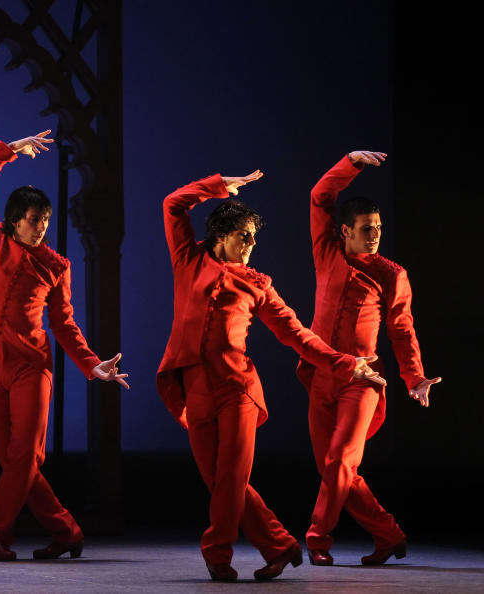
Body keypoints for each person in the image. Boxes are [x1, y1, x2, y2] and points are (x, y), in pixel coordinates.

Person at [155, 169, 385, 582]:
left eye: (253, 237)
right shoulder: (188, 259)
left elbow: (298, 335)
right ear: (221, 235)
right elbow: (173, 204)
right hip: (196, 389)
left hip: (238, 391)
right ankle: (279, 545)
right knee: (222, 482)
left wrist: (347, 362)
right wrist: (218, 186)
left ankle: (217, 552)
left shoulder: (258, 285)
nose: (251, 244)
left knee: (230, 477)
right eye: (244, 236)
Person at [0, 130, 129, 562]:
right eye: (34, 219)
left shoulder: (56, 266)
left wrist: (91, 365)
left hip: (31, 367)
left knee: (25, 456)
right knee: (16, 463)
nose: (42, 226)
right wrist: (8, 152)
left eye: (46, 220)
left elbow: (64, 324)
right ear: (13, 220)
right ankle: (67, 532)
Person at [299, 151, 441, 566]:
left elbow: (401, 328)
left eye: (378, 228)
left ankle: (316, 538)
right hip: (323, 375)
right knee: (335, 469)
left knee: (342, 459)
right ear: (344, 231)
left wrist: (414, 378)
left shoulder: (391, 273)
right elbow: (319, 196)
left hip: (364, 379)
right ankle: (389, 535)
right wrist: (351, 163)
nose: (374, 235)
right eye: (366, 229)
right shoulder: (327, 252)